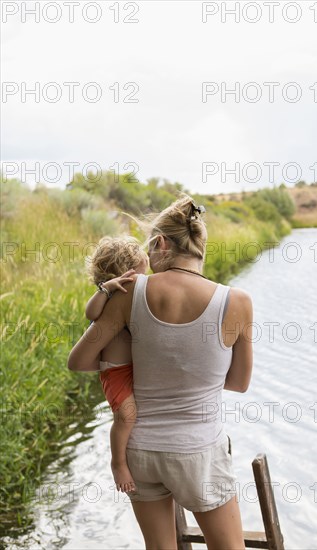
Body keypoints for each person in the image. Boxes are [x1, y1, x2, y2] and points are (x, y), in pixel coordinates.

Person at [68, 195, 253, 550]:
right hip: (198, 450)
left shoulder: (129, 293)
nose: (149, 264)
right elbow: (239, 383)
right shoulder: (238, 301)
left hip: (140, 452)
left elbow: (80, 360)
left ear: (161, 243)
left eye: (149, 252)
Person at [85, 235, 149, 493]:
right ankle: (118, 463)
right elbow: (90, 314)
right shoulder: (110, 297)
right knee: (126, 416)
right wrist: (106, 289)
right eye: (139, 276)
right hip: (115, 370)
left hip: (133, 368)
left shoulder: (137, 294)